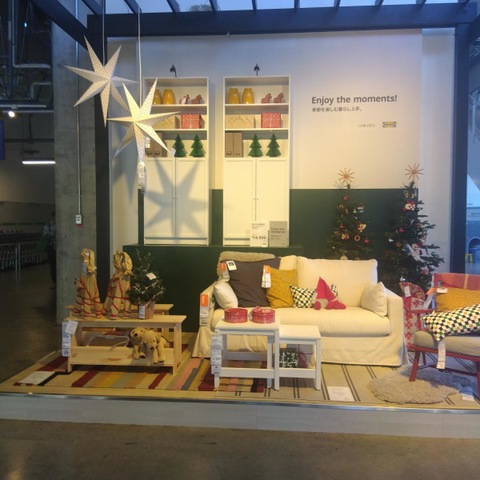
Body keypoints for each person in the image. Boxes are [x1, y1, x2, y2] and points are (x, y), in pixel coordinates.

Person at [43, 211, 56, 284]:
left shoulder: (62, 224)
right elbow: (45, 235)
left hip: (60, 248)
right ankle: (54, 281)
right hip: (51, 248)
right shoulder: (48, 225)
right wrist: (53, 233)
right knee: (53, 265)